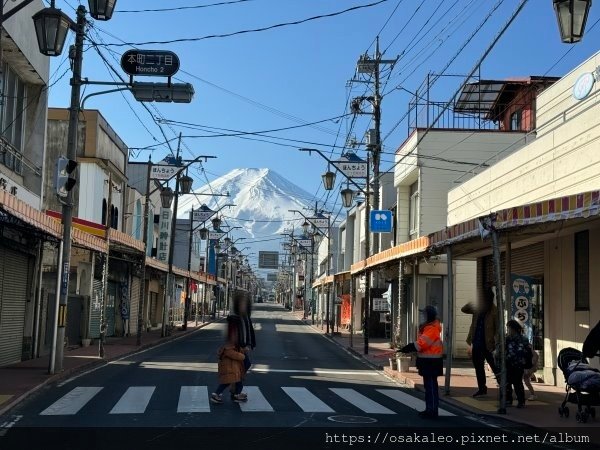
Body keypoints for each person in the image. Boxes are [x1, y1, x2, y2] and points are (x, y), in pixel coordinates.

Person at [399, 305, 443, 419]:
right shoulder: (428, 327)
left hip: (431, 362)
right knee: (429, 386)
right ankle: (430, 409)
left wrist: (409, 347)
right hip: (428, 361)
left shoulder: (432, 328)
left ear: (429, 316)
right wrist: (409, 347)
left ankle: (432, 411)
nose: (422, 316)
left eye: (424, 314)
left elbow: (422, 344)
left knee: (431, 386)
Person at [462, 286, 499, 397]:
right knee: (478, 368)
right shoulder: (477, 308)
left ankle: (505, 389)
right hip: (476, 342)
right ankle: (482, 388)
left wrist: (496, 343)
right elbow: (464, 309)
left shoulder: (494, 311)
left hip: (489, 344)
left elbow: (498, 329)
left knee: (495, 368)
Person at [211, 318, 248, 404]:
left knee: (237, 380)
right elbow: (232, 352)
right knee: (227, 382)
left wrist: (243, 350)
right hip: (229, 367)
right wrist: (242, 356)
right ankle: (216, 394)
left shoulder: (232, 337)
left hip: (233, 366)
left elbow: (236, 349)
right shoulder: (228, 345)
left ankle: (237, 394)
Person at [228, 292, 256, 398]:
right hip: (238, 347)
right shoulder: (235, 317)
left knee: (241, 367)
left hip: (242, 346)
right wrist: (242, 345)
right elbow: (236, 333)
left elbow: (249, 330)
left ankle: (235, 389)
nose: (244, 305)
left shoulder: (245, 316)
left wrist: (251, 343)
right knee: (243, 366)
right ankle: (235, 390)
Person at [505, 320, 532, 408]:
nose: (508, 330)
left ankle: (515, 400)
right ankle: (516, 400)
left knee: (513, 382)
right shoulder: (510, 338)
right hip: (514, 363)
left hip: (515, 363)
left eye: (508, 328)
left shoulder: (515, 339)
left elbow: (527, 352)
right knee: (512, 382)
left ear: (513, 329)